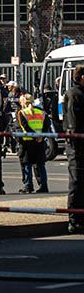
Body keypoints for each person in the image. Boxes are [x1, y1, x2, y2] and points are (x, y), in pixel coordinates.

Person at [64, 65, 84, 234]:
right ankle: (74, 219)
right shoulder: (74, 94)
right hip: (76, 146)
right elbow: (73, 122)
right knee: (76, 181)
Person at [16, 94, 48, 194]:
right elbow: (46, 126)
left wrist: (34, 136)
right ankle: (44, 186)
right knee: (40, 164)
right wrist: (41, 136)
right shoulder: (41, 112)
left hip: (28, 141)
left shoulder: (22, 113)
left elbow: (25, 127)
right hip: (40, 142)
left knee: (27, 164)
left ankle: (28, 185)